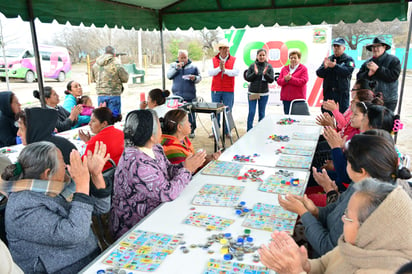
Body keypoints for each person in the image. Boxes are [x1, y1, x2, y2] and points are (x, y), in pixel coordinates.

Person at [278, 133, 411, 257]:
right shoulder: (362, 182)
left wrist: (303, 212)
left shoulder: (368, 203)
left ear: (362, 171)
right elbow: (335, 208)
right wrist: (315, 211)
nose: (344, 166)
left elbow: (327, 248)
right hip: (324, 236)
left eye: (347, 162)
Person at [1, 141, 111, 274]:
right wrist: (82, 187)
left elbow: (101, 208)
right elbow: (75, 234)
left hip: (90, 260)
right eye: (62, 162)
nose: (65, 165)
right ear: (47, 173)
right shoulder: (21, 207)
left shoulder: (55, 186)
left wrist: (96, 175)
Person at [259, 179, 412, 274]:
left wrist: (295, 272)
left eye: (349, 217)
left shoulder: (389, 270)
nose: (343, 219)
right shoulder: (355, 246)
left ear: (369, 230)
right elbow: (324, 263)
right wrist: (305, 265)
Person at [110, 109, 206, 239]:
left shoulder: (155, 148)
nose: (162, 128)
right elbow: (167, 193)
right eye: (159, 126)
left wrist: (185, 165)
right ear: (151, 135)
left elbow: (168, 170)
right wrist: (187, 170)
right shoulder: (137, 163)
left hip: (158, 211)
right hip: (135, 227)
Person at [357, 37, 401, 111]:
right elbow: (359, 77)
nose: (375, 49)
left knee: (386, 121)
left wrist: (378, 70)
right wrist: (368, 74)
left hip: (388, 100)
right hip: (370, 99)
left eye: (378, 46)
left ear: (384, 47)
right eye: (373, 46)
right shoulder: (367, 62)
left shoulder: (393, 60)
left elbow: (393, 76)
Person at [167, 49, 201, 138]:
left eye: (185, 57)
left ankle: (192, 130)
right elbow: (169, 76)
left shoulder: (193, 66)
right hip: (176, 95)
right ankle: (177, 131)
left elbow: (199, 78)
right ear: (178, 58)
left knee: (190, 114)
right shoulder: (173, 65)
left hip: (189, 95)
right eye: (181, 58)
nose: (183, 60)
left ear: (187, 57)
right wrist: (177, 68)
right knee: (177, 115)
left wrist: (195, 78)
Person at [316, 38, 355, 114]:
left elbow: (347, 71)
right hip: (329, 93)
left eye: (338, 46)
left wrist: (335, 66)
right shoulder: (329, 59)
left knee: (341, 117)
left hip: (341, 94)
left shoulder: (348, 60)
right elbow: (319, 73)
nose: (336, 48)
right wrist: (325, 68)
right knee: (327, 116)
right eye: (334, 46)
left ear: (343, 48)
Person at [208, 39, 239, 133]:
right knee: (215, 111)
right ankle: (215, 131)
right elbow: (210, 72)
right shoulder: (213, 60)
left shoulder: (234, 59)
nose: (226, 50)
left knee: (228, 110)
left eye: (227, 48)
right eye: (224, 48)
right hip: (216, 89)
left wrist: (225, 70)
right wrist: (219, 68)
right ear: (220, 49)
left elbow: (236, 72)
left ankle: (227, 131)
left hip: (228, 89)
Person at [92, 46, 129, 115]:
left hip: (101, 95)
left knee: (102, 118)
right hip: (114, 95)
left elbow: (93, 79)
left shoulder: (95, 64)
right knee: (115, 118)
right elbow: (125, 78)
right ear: (114, 54)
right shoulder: (117, 64)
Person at [244, 48, 275, 131]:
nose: (261, 57)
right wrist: (255, 73)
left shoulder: (269, 66)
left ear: (265, 56)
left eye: (263, 55)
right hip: (252, 93)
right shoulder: (252, 65)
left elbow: (271, 80)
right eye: (260, 55)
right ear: (257, 56)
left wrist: (265, 74)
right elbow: (248, 78)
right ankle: (249, 130)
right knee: (251, 112)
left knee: (262, 113)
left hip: (264, 94)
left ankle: (260, 131)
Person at [277, 50, 308, 115]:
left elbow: (303, 81)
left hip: (298, 100)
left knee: (297, 119)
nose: (293, 59)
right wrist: (285, 80)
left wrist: (291, 79)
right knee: (287, 118)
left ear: (299, 59)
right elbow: (279, 81)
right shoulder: (284, 68)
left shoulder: (303, 69)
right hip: (286, 99)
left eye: (295, 58)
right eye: (291, 58)